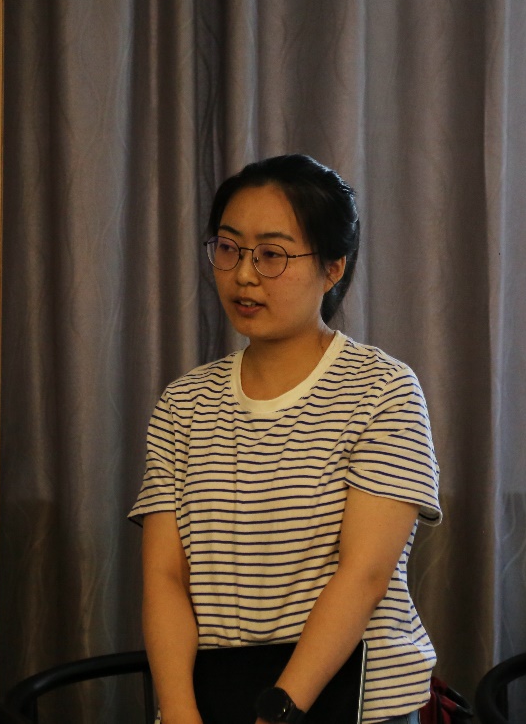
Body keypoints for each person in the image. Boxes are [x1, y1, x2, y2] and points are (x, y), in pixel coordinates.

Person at [130, 154, 443, 724]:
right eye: (229, 248)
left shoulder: (383, 389)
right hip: (213, 699)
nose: (244, 275)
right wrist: (176, 710)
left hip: (355, 704)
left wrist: (279, 711)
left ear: (333, 267)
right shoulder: (183, 403)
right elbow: (164, 577)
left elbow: (365, 575)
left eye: (272, 254)